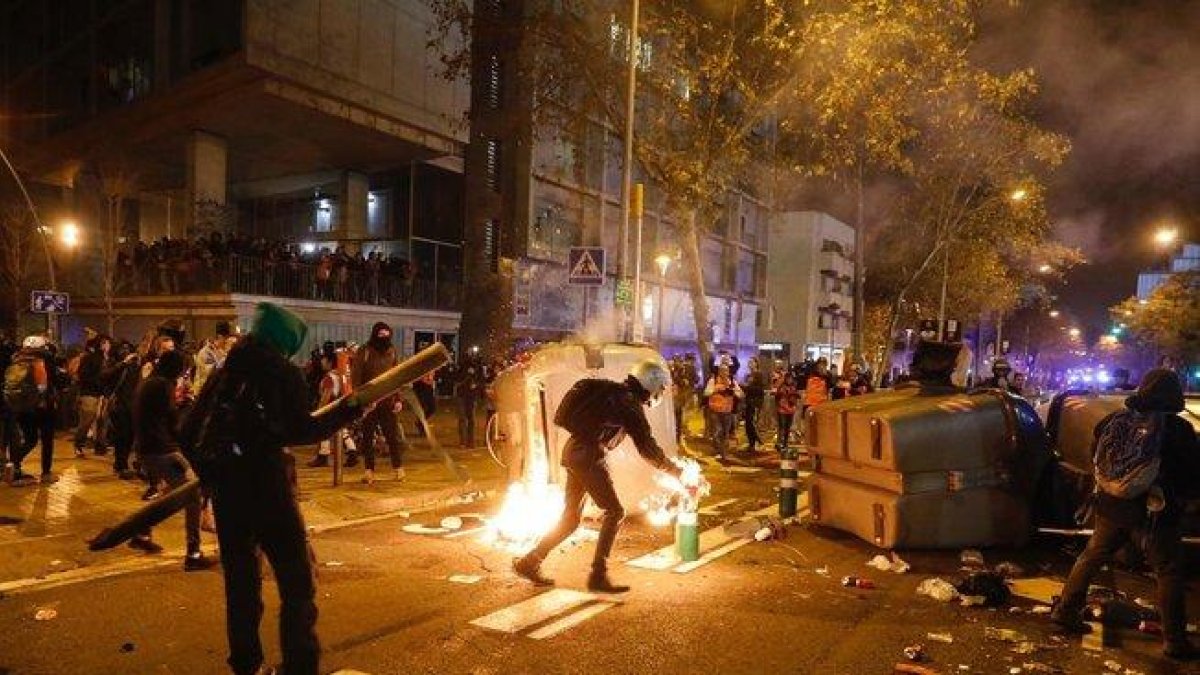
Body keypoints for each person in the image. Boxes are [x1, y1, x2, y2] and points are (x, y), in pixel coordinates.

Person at [185, 302, 367, 675]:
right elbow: (302, 430)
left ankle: (247, 666)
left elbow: (188, 431)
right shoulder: (281, 372)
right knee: (296, 583)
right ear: (286, 342)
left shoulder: (225, 372)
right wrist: (348, 411)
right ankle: (299, 665)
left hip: (228, 495)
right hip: (268, 489)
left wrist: (211, 473)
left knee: (240, 586)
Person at [1050, 369, 1200, 661]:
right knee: (1167, 570)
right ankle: (1175, 640)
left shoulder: (1114, 420)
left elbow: (1096, 454)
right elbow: (1191, 474)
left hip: (1112, 505)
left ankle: (1066, 610)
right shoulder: (1177, 429)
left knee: (1092, 556)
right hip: (1156, 510)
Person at [513, 360, 683, 593]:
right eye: (661, 387)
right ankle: (598, 576)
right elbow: (647, 448)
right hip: (589, 457)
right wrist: (675, 471)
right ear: (651, 382)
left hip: (574, 452)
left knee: (571, 518)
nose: (660, 393)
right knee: (614, 511)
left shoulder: (613, 391)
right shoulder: (629, 403)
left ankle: (529, 562)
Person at [128, 349, 216, 570]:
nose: (183, 373)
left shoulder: (149, 382)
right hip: (162, 449)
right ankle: (193, 553)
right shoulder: (162, 385)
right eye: (183, 369)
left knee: (170, 494)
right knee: (192, 494)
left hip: (147, 447)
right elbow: (172, 421)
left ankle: (140, 532)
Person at [351, 322, 408, 483]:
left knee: (392, 436)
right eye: (381, 334)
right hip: (369, 402)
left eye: (386, 334)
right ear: (375, 334)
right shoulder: (365, 350)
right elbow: (356, 376)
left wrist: (398, 399)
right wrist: (360, 400)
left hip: (388, 401)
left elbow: (397, 376)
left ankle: (398, 468)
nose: (384, 337)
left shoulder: (392, 351)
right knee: (367, 437)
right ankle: (369, 471)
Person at [4, 336, 58, 485]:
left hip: (22, 407)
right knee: (47, 440)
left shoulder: (16, 359)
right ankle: (46, 473)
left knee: (30, 439)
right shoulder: (46, 359)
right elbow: (51, 382)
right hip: (43, 406)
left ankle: (12, 464)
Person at [74, 334, 114, 457]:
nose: (106, 346)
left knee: (103, 420)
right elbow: (83, 375)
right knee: (88, 419)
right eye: (103, 343)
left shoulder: (111, 359)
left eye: (107, 343)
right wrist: (98, 381)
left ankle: (100, 446)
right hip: (90, 393)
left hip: (105, 394)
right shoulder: (90, 358)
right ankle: (79, 444)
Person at [704, 364, 742, 460]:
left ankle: (723, 453)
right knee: (717, 432)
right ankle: (719, 451)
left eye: (726, 370)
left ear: (728, 372)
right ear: (719, 372)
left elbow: (741, 394)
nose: (724, 372)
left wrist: (733, 391)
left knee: (725, 433)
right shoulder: (713, 381)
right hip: (715, 411)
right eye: (722, 370)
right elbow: (706, 393)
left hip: (727, 411)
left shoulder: (732, 382)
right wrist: (716, 390)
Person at [194, 321, 235, 393]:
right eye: (226, 339)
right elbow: (209, 373)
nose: (228, 342)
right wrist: (225, 357)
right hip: (204, 392)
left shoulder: (224, 350)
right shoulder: (206, 352)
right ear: (220, 337)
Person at [455, 355, 483, 448]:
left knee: (471, 419)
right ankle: (462, 441)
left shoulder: (479, 367)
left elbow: (481, 380)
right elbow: (456, 378)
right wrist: (466, 374)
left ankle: (470, 441)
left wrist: (476, 384)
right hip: (462, 395)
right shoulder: (461, 366)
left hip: (472, 395)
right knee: (462, 418)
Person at [741, 357, 766, 453]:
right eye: (749, 362)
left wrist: (746, 387)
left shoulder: (758, 374)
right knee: (747, 424)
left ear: (756, 363)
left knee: (752, 423)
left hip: (755, 402)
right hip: (748, 401)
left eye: (752, 362)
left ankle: (759, 442)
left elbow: (759, 390)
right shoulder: (748, 375)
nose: (750, 364)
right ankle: (751, 444)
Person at [773, 371, 800, 452]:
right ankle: (779, 443)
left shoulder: (793, 387)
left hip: (790, 410)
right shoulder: (781, 386)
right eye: (788, 378)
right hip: (782, 410)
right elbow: (776, 395)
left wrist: (795, 395)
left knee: (787, 428)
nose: (789, 380)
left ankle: (785, 443)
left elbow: (796, 397)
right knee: (782, 428)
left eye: (791, 378)